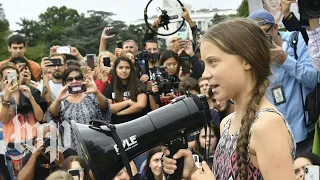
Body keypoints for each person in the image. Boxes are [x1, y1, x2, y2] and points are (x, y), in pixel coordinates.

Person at [163, 18, 296, 179]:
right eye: (204, 64)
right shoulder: (227, 123)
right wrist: (193, 172)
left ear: (247, 60)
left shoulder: (267, 125)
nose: (205, 74)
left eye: (213, 62)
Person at [248, 9, 318, 156]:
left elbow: (313, 79)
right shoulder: (253, 55)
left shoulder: (297, 40)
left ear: (275, 28)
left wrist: (285, 60)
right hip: (275, 136)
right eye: (254, 37)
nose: (260, 40)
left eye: (263, 33)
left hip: (304, 132)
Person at [47, 66, 111, 157]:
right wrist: (58, 100)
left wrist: (96, 92)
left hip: (95, 144)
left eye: (78, 78)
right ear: (65, 82)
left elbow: (105, 107)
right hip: (72, 147)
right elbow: (53, 114)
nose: (74, 81)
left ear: (83, 79)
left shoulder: (91, 96)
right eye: (70, 79)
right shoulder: (62, 101)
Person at [0, 62, 47, 179]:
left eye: (14, 77)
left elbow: (40, 117)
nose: (10, 81)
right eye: (6, 78)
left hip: (34, 143)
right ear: (1, 79)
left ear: (18, 76)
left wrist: (30, 97)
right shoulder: (1, 97)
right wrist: (6, 97)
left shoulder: (30, 91)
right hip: (14, 147)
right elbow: (4, 120)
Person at [103, 57, 147, 124]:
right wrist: (128, 102)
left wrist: (120, 113)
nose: (124, 71)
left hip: (138, 122)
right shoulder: (110, 87)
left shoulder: (138, 84)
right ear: (115, 70)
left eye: (127, 68)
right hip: (117, 125)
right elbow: (109, 108)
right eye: (120, 68)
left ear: (131, 70)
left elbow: (141, 105)